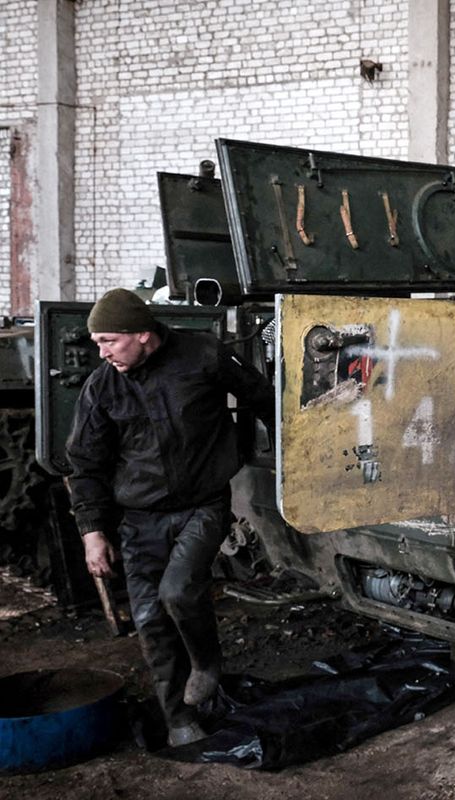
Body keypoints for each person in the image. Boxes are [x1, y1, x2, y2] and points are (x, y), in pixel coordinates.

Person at [66, 288, 273, 747]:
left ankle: (206, 663)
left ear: (143, 335)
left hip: (203, 504)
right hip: (138, 519)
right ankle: (180, 720)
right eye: (97, 342)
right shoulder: (102, 386)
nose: (101, 352)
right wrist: (92, 532)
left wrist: (287, 454)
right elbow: (85, 465)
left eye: (108, 341)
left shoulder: (202, 355)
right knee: (150, 620)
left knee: (178, 591)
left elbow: (262, 397)